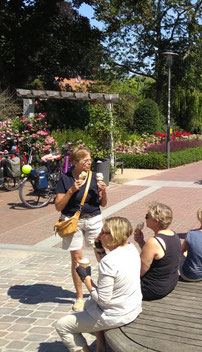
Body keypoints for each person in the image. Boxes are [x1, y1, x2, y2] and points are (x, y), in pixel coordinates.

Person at [55, 217, 142, 352]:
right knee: (89, 303)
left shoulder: (110, 261)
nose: (99, 236)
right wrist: (99, 247)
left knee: (62, 326)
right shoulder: (131, 248)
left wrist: (86, 278)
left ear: (113, 236)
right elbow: (110, 266)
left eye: (103, 232)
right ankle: (101, 347)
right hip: (132, 306)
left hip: (118, 314)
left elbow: (103, 300)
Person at [55, 146, 108, 312]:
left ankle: (104, 290)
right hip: (73, 222)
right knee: (77, 260)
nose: (89, 163)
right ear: (75, 163)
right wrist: (71, 190)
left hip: (93, 220)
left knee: (101, 255)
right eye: (85, 160)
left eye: (90, 159)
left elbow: (103, 204)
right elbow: (58, 206)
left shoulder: (94, 177)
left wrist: (103, 192)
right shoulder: (65, 179)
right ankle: (79, 297)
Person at [134, 202, 181, 301]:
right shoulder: (174, 234)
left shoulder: (154, 242)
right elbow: (158, 258)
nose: (145, 218)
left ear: (156, 221)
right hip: (170, 282)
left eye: (147, 216)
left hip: (152, 288)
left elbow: (140, 271)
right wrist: (141, 241)